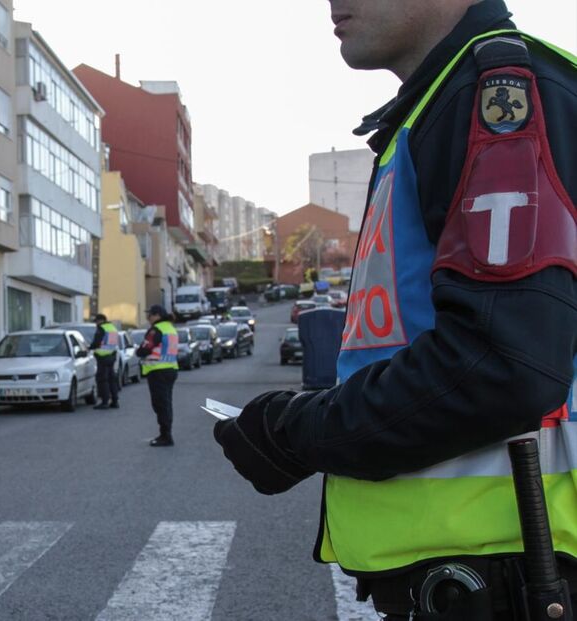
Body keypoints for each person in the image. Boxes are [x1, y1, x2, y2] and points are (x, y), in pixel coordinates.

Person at [213, 1, 576, 619]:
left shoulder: (498, 96)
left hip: (515, 571)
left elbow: (499, 362)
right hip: (483, 568)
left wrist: (296, 432)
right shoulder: (438, 105)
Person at [136, 305, 179, 446]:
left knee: (160, 405)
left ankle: (165, 436)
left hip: (158, 370)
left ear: (157, 315)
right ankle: (167, 433)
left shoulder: (156, 330)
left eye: (150, 315)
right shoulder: (170, 328)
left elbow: (144, 349)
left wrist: (139, 351)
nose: (148, 318)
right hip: (171, 369)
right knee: (167, 403)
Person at [88, 313, 120, 410]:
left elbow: (96, 342)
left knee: (102, 379)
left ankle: (104, 401)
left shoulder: (101, 328)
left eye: (97, 321)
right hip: (112, 355)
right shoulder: (113, 328)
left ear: (101, 320)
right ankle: (115, 401)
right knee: (112, 379)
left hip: (102, 357)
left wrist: (89, 347)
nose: (96, 324)